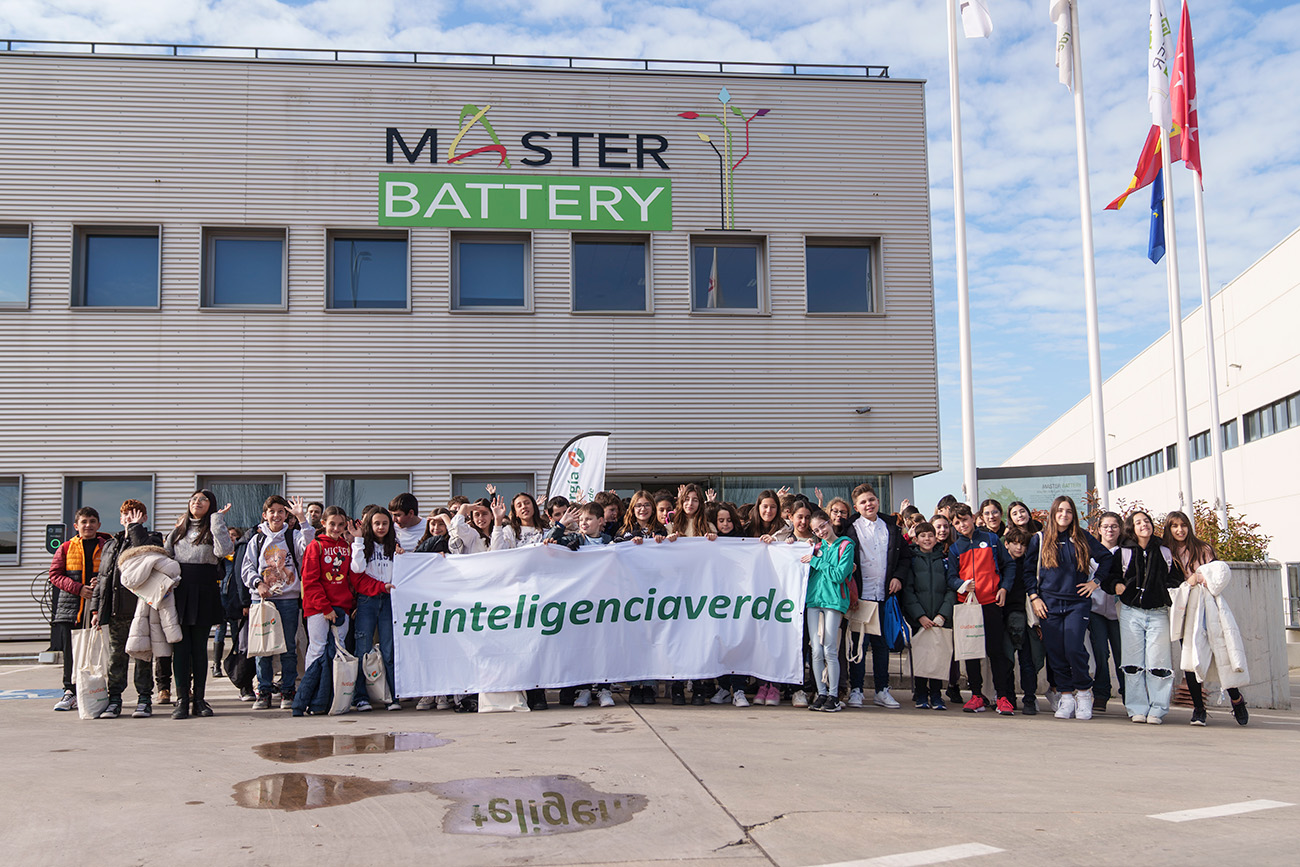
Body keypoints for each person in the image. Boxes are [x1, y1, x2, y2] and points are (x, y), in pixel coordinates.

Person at [1025, 495, 1113, 721]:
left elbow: (1106, 559)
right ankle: (1065, 696)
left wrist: (1096, 582)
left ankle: (1084, 694)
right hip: (1048, 604)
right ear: (1053, 514)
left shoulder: (1082, 537)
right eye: (1060, 511)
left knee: (1074, 648)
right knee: (1056, 651)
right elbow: (1027, 573)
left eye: (1069, 511)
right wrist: (1035, 598)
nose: (1064, 515)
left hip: (1076, 603)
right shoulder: (1040, 539)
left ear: (1073, 515)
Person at [1165, 511, 1249, 726]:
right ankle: (1199, 710)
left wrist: (1202, 577)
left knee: (1221, 654)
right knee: (1191, 661)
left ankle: (1236, 699)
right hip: (1185, 612)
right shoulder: (1165, 552)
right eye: (1174, 526)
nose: (1179, 530)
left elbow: (1220, 575)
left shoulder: (1203, 549)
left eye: (1183, 525)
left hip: (1209, 609)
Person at [1103, 510, 1182, 724]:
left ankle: (1157, 709)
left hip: (1158, 614)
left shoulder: (1165, 551)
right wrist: (1116, 586)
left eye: (1146, 521)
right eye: (1138, 522)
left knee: (1159, 663)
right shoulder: (1123, 552)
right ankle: (1136, 707)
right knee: (1132, 663)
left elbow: (1176, 579)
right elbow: (1108, 578)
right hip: (1131, 612)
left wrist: (1164, 592)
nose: (1143, 525)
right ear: (1132, 528)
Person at [89, 500, 165, 720]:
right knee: (116, 658)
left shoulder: (152, 538)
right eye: (126, 516)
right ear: (120, 518)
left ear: (144, 518)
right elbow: (102, 579)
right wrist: (96, 611)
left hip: (140, 610)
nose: (129, 519)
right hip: (115, 611)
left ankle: (144, 699)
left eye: (135, 515)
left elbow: (146, 554)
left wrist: (136, 528)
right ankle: (114, 700)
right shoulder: (111, 544)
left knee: (142, 656)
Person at [164, 489, 233, 719]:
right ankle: (182, 699)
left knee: (200, 649)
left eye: (203, 500)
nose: (197, 502)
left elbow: (224, 551)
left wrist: (217, 520)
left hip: (205, 590)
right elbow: (165, 559)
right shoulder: (177, 532)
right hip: (181, 591)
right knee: (181, 648)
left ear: (210, 505)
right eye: (193, 499)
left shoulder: (214, 528)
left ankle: (200, 699)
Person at [841, 483, 911, 710]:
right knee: (859, 645)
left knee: (882, 645)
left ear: (877, 501)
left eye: (871, 500)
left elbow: (904, 558)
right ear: (856, 507)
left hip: (884, 595)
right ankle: (857, 690)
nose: (868, 504)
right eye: (863, 502)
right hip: (860, 596)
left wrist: (898, 577)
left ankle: (882, 690)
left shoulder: (891, 526)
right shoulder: (849, 528)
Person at [946, 503, 1017, 715]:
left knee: (996, 651)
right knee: (971, 653)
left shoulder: (992, 540)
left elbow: (1009, 566)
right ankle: (976, 695)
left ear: (973, 517)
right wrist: (962, 584)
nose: (962, 525)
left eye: (964, 520)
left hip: (991, 604)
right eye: (957, 523)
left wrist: (1004, 588)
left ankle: (1002, 696)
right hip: (968, 605)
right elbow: (950, 577)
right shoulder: (955, 548)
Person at [242, 495, 312, 710]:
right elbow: (247, 568)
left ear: (286, 515)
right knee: (262, 648)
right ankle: (263, 691)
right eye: (272, 511)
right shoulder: (257, 540)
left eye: (281, 511)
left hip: (288, 600)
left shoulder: (294, 536)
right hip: (261, 601)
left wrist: (302, 519)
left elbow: (310, 548)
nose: (276, 515)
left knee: (289, 647)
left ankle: (288, 690)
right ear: (265, 515)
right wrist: (257, 584)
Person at [546, 503, 615, 707]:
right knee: (583, 646)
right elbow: (548, 542)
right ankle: (583, 689)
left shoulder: (611, 541)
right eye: (582, 519)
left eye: (589, 519)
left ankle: (604, 689)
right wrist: (561, 525)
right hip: (580, 603)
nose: (584, 523)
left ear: (601, 521)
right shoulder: (574, 539)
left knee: (603, 647)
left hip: (604, 602)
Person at [48, 507, 111, 712]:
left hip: (98, 609)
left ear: (99, 525)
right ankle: (70, 692)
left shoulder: (108, 547)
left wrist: (100, 582)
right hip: (71, 608)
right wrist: (79, 589)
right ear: (76, 526)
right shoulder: (66, 548)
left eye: (92, 521)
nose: (88, 525)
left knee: (98, 653)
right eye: (84, 521)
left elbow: (114, 573)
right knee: (71, 653)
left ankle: (98, 692)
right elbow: (55, 574)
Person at [800, 509, 855, 712]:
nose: (821, 531)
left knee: (830, 649)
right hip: (814, 600)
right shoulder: (814, 547)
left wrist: (815, 560)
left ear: (830, 522)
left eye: (823, 526)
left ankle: (833, 695)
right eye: (816, 530)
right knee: (816, 649)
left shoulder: (846, 545)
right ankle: (821, 693)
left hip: (834, 601)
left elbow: (840, 574)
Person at [348, 507, 400, 711]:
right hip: (367, 601)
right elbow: (357, 572)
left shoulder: (395, 546)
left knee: (389, 649)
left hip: (389, 601)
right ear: (369, 524)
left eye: (384, 523)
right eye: (376, 523)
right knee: (363, 649)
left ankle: (393, 695)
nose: (380, 527)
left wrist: (402, 555)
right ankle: (360, 697)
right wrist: (358, 541)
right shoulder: (361, 545)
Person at [901, 521, 955, 710]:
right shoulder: (912, 560)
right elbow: (908, 591)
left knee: (938, 657)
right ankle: (921, 693)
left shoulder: (945, 558)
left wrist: (943, 614)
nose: (927, 539)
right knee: (922, 656)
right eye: (922, 536)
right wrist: (919, 616)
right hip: (921, 620)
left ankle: (937, 695)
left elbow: (951, 588)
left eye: (930, 535)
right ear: (916, 539)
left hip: (940, 619)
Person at [1001, 526, 1043, 714]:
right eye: (1015, 543)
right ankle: (1008, 698)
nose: (1019, 548)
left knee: (1027, 661)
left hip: (1026, 617)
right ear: (1006, 544)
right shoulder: (1000, 564)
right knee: (1007, 660)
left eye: (1023, 544)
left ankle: (1029, 699)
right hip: (1004, 616)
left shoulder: (1030, 565)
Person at [1089, 511, 1124, 713]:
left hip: (1119, 612)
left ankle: (1129, 694)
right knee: (1100, 652)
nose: (1110, 530)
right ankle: (1101, 693)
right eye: (1106, 526)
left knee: (1122, 654)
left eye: (1114, 526)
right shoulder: (1091, 552)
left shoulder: (1126, 551)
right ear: (1099, 529)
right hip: (1095, 609)